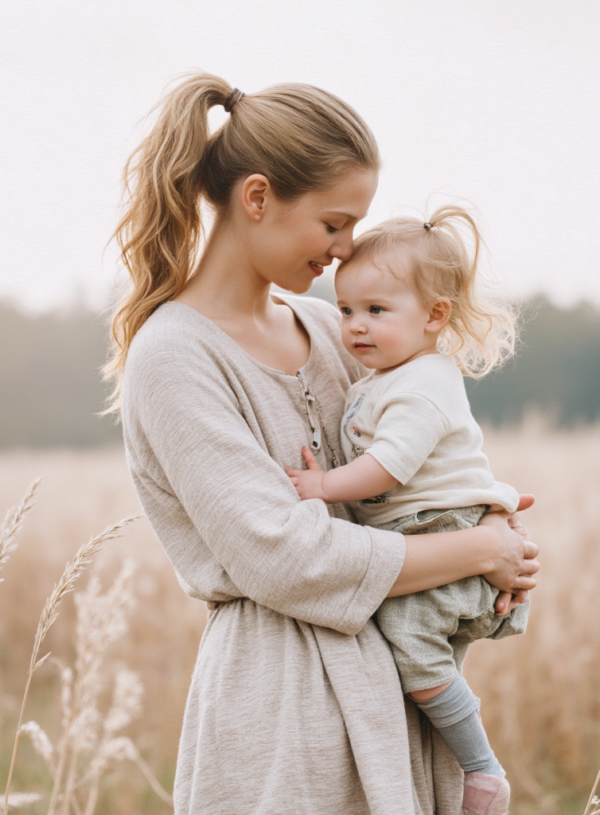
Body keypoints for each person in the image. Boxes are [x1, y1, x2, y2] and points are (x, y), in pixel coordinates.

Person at [105, 72, 539, 815]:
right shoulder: (173, 356)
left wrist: (489, 521)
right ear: (257, 198)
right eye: (334, 224)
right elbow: (286, 556)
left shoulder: (340, 329)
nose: (345, 252)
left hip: (395, 705)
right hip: (279, 716)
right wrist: (474, 554)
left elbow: (425, 464)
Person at [286, 207, 528, 815]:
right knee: (418, 651)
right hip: (429, 532)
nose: (355, 327)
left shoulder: (421, 385)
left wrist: (322, 487)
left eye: (376, 311)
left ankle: (482, 771)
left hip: (439, 532)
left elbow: (388, 468)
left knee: (413, 646)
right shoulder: (390, 374)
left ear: (434, 316)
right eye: (345, 310)